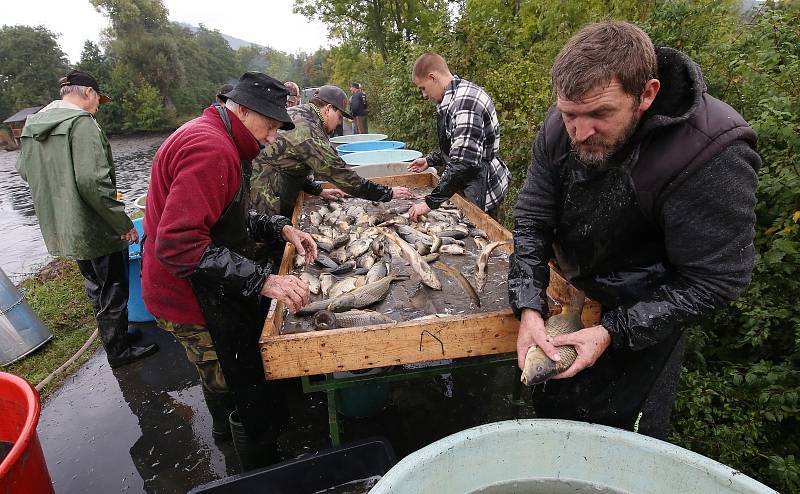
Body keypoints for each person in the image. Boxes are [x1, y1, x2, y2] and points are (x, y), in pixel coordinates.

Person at [509, 21, 761, 439]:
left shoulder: (711, 152)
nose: (581, 131)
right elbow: (533, 220)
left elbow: (717, 281)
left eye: (600, 115)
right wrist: (529, 306)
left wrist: (615, 330)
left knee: (622, 430)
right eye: (570, 114)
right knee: (556, 411)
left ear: (647, 93)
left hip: (648, 315)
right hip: (577, 296)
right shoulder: (562, 125)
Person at [141, 72, 318, 470]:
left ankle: (237, 437)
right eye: (270, 125)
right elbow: (179, 245)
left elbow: (224, 215)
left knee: (231, 370)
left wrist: (279, 226)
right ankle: (246, 460)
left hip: (203, 284)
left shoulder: (218, 136)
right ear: (241, 110)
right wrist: (263, 280)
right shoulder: (211, 148)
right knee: (230, 378)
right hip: (186, 295)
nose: (273, 137)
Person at [16, 69, 158, 369]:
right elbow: (94, 183)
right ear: (89, 93)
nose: (98, 106)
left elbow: (25, 171)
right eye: (98, 100)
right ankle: (119, 352)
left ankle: (114, 337)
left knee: (95, 284)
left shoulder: (33, 125)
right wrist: (121, 224)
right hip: (95, 225)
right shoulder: (82, 124)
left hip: (62, 224)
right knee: (114, 287)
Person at [251, 84, 413, 219]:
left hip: (277, 180)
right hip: (264, 191)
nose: (339, 123)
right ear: (328, 109)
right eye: (340, 116)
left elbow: (293, 163)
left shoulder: (301, 112)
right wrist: (388, 193)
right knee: (272, 239)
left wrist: (318, 190)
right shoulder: (308, 132)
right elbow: (342, 174)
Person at [407, 52, 511, 222]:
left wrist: (429, 203)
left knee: (484, 239)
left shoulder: (465, 103)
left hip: (484, 188)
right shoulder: (453, 97)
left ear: (432, 77)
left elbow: (464, 162)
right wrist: (430, 160)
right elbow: (458, 145)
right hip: (469, 182)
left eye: (423, 88)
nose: (424, 95)